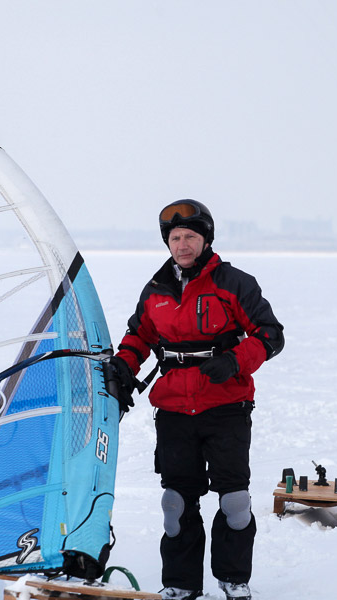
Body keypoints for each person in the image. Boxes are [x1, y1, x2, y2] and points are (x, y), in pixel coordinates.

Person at [107, 199, 284, 600]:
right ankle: (181, 583)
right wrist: (124, 366)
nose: (182, 244)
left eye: (189, 236)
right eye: (175, 238)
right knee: (176, 502)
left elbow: (270, 334)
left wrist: (235, 361)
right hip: (173, 409)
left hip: (226, 405)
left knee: (234, 500)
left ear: (206, 239)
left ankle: (234, 578)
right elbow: (139, 336)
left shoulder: (234, 283)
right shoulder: (155, 290)